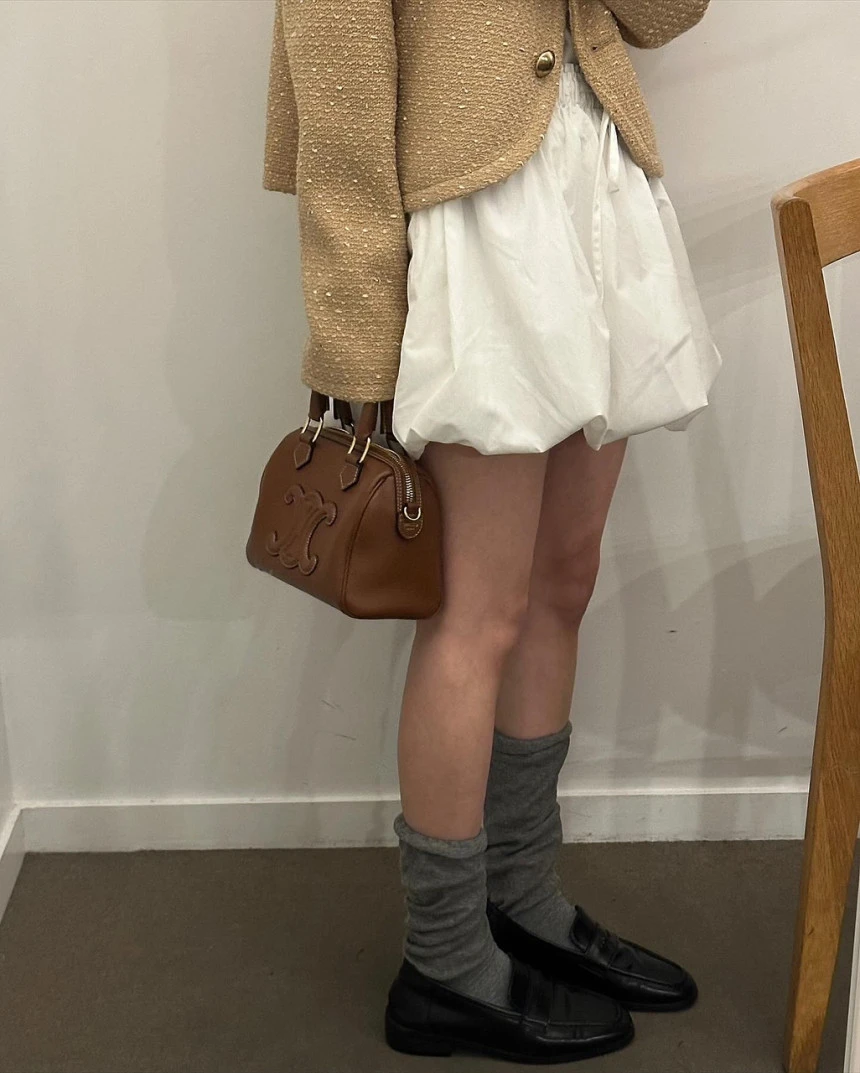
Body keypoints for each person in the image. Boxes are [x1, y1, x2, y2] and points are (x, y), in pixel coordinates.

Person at [263, 0, 720, 1063]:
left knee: (563, 579)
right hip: (475, 223)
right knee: (477, 611)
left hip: (597, 188)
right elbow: (339, 108)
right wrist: (357, 338)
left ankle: (521, 894)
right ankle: (442, 959)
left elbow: (662, 16)